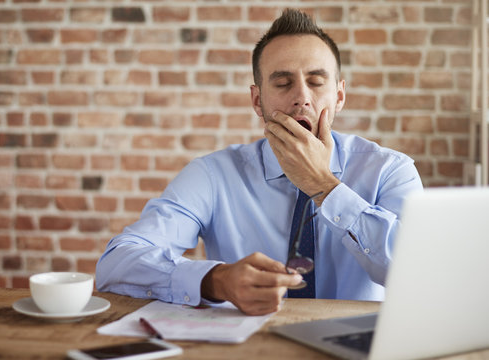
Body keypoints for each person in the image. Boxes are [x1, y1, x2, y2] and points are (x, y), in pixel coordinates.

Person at [96, 9, 423, 316]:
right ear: (258, 100)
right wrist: (217, 280)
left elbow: (418, 273)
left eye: (316, 81)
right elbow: (116, 264)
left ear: (339, 96)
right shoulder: (213, 175)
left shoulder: (389, 170)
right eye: (282, 83)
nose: (302, 97)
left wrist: (323, 187)